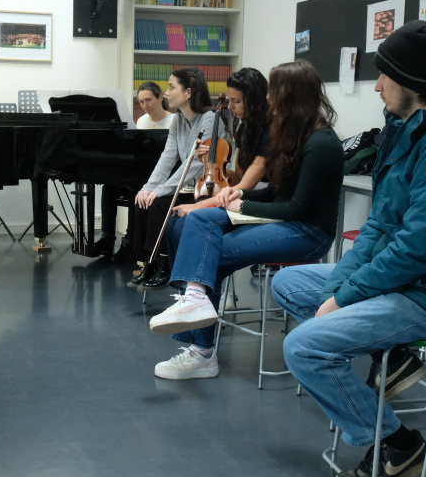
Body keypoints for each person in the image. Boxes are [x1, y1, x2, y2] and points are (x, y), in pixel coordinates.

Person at [271, 20, 426, 477]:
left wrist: (344, 299)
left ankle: (396, 444)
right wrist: (340, 287)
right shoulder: (411, 129)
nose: (377, 86)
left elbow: (420, 247)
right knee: (290, 283)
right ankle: (391, 353)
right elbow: (380, 225)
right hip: (415, 280)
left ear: (411, 83)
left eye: (384, 76)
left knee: (303, 347)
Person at [147, 60, 343, 380]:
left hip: (308, 233)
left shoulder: (321, 143)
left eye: (273, 92)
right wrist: (239, 194)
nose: (267, 98)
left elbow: (296, 209)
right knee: (200, 222)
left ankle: (201, 350)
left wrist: (241, 206)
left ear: (291, 95)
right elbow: (276, 193)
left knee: (210, 253)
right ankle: (195, 302)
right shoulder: (291, 134)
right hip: (284, 221)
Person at [127, 68, 223, 289]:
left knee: (159, 203)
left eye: (171, 87)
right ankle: (148, 262)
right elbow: (167, 157)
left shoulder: (209, 119)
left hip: (205, 190)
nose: (167, 93)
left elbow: (195, 165)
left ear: (188, 92)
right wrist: (148, 187)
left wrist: (160, 190)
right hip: (188, 187)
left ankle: (164, 265)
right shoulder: (178, 120)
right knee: (143, 200)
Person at [174, 67, 270, 218]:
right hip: (244, 192)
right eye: (229, 100)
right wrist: (209, 163)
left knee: (195, 217)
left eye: (236, 101)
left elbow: (246, 185)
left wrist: (197, 206)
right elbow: (239, 176)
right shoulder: (244, 129)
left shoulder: (270, 129)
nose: (230, 107)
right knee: (179, 220)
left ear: (255, 101)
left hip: (262, 197)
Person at [95, 82, 173, 260]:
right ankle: (107, 238)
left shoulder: (173, 121)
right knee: (109, 187)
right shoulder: (142, 121)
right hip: (142, 171)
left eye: (149, 100)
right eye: (141, 102)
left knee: (136, 190)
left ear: (161, 97)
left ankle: (129, 241)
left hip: (161, 176)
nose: (145, 105)